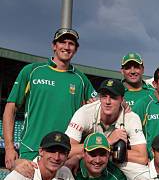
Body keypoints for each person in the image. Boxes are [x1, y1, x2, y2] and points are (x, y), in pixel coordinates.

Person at [3, 28, 96, 167]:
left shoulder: (81, 79)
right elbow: (10, 109)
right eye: (62, 42)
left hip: (64, 154)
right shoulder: (32, 71)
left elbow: (99, 108)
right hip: (31, 150)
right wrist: (9, 148)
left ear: (76, 49)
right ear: (54, 46)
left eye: (71, 43)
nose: (66, 47)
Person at [65, 78, 148, 163]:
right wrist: (107, 142)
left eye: (113, 97)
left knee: (142, 172)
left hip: (114, 160)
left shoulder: (131, 118)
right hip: (88, 160)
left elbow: (142, 158)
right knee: (67, 165)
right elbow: (66, 150)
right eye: (104, 96)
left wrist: (107, 152)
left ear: (122, 100)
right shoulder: (85, 112)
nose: (107, 102)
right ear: (100, 98)